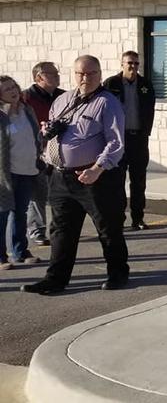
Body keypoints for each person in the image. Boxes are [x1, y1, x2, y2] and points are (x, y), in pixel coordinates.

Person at [21, 56, 128, 295]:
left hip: (95, 177)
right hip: (61, 177)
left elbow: (116, 143)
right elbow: (53, 132)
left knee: (108, 229)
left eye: (91, 73)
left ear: (100, 74)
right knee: (61, 231)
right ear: (74, 74)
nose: (85, 78)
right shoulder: (62, 100)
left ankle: (118, 274)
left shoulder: (107, 102)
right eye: (80, 73)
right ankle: (55, 279)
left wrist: (97, 169)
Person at [104, 51, 155, 231]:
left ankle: (138, 218)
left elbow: (150, 110)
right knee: (116, 182)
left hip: (138, 140)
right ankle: (117, 219)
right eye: (129, 63)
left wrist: (145, 134)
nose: (133, 67)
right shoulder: (111, 84)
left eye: (136, 63)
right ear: (122, 64)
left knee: (138, 181)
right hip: (118, 140)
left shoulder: (146, 85)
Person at [21, 61, 65, 246]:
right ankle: (37, 231)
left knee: (59, 192)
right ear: (39, 77)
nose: (57, 76)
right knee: (37, 194)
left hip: (59, 152)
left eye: (57, 73)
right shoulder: (25, 98)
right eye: (52, 74)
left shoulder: (63, 96)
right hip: (35, 152)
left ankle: (61, 228)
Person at [0, 77, 42, 269]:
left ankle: (20, 251)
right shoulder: (1, 115)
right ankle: (1, 257)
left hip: (26, 169)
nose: (12, 91)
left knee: (20, 212)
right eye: (6, 89)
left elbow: (35, 137)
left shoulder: (27, 110)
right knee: (2, 213)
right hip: (5, 173)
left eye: (13, 86)